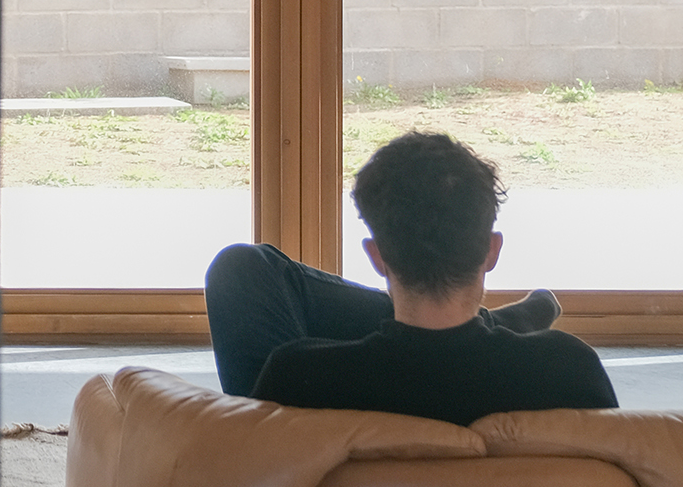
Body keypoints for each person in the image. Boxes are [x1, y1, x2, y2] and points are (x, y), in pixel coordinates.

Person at [205, 130, 617, 427]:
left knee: (240, 269)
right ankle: (494, 326)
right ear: (492, 250)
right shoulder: (567, 367)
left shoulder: (297, 376)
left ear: (377, 257)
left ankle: (498, 322)